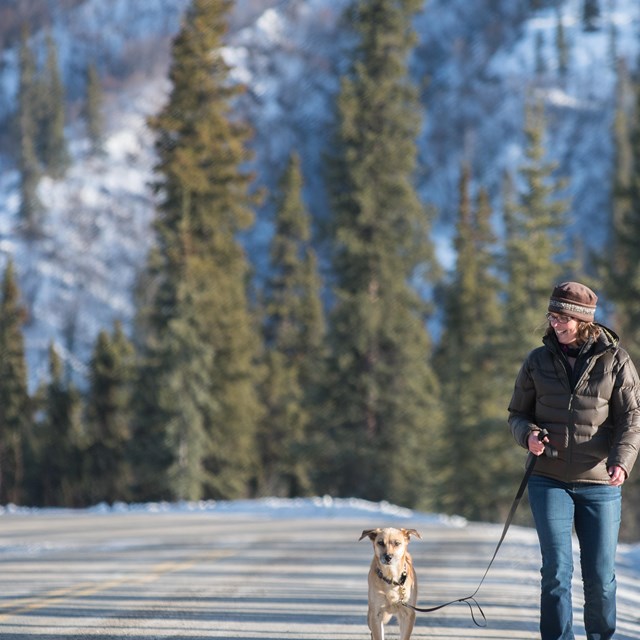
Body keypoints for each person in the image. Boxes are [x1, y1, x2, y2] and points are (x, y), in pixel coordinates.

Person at [508, 281, 640, 640]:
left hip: (600, 483)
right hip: (547, 479)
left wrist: (622, 460)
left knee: (599, 577)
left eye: (562, 318)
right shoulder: (537, 360)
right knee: (556, 571)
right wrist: (529, 435)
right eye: (552, 316)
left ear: (583, 320)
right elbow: (517, 414)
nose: (555, 324)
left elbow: (632, 419)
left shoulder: (616, 361)